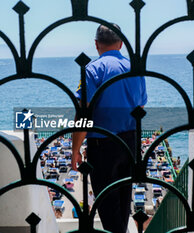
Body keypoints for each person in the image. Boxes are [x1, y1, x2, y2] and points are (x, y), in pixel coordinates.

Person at [72, 24, 147, 233]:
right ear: (121, 43)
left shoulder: (94, 69)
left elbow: (83, 113)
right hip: (130, 142)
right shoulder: (135, 69)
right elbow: (140, 106)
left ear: (96, 44)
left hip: (103, 145)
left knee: (108, 207)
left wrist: (75, 149)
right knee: (124, 204)